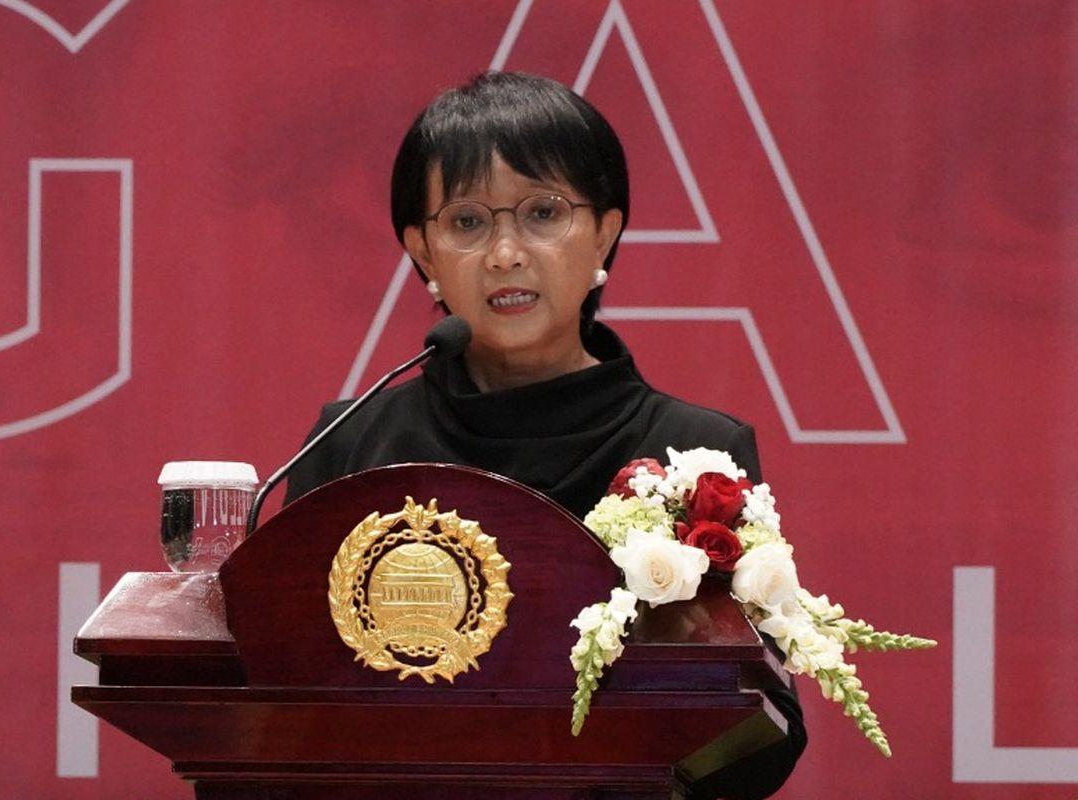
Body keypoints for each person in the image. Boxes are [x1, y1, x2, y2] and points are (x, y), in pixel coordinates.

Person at [284, 71, 804, 799]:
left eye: (542, 212)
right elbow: (277, 690)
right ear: (423, 252)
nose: (504, 252)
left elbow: (765, 728)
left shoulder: (698, 457)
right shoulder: (350, 445)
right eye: (467, 222)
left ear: (606, 232)